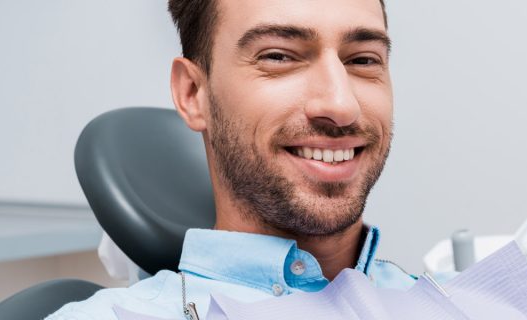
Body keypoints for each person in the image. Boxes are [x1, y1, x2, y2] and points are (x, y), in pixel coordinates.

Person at [47, 0, 405, 318]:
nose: (341, 106)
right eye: (278, 56)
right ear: (192, 93)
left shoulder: (448, 294)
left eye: (362, 60)